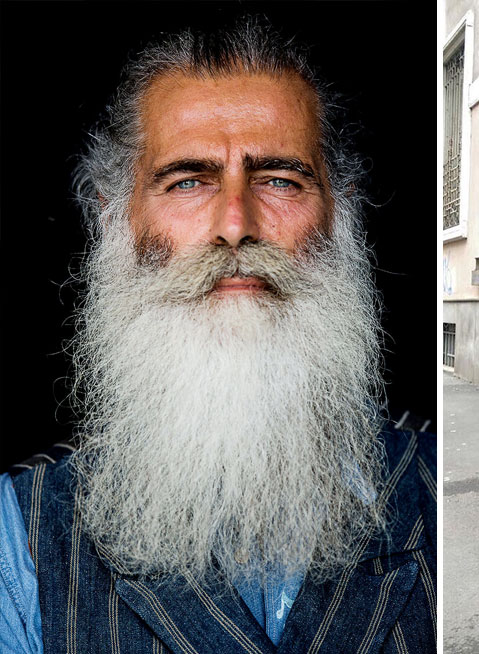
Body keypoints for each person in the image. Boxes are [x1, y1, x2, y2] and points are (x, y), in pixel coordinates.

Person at [0, 19, 436, 654]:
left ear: (339, 211)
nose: (236, 223)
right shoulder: (20, 536)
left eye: (280, 179)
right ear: (113, 216)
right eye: (188, 180)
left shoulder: (430, 483)